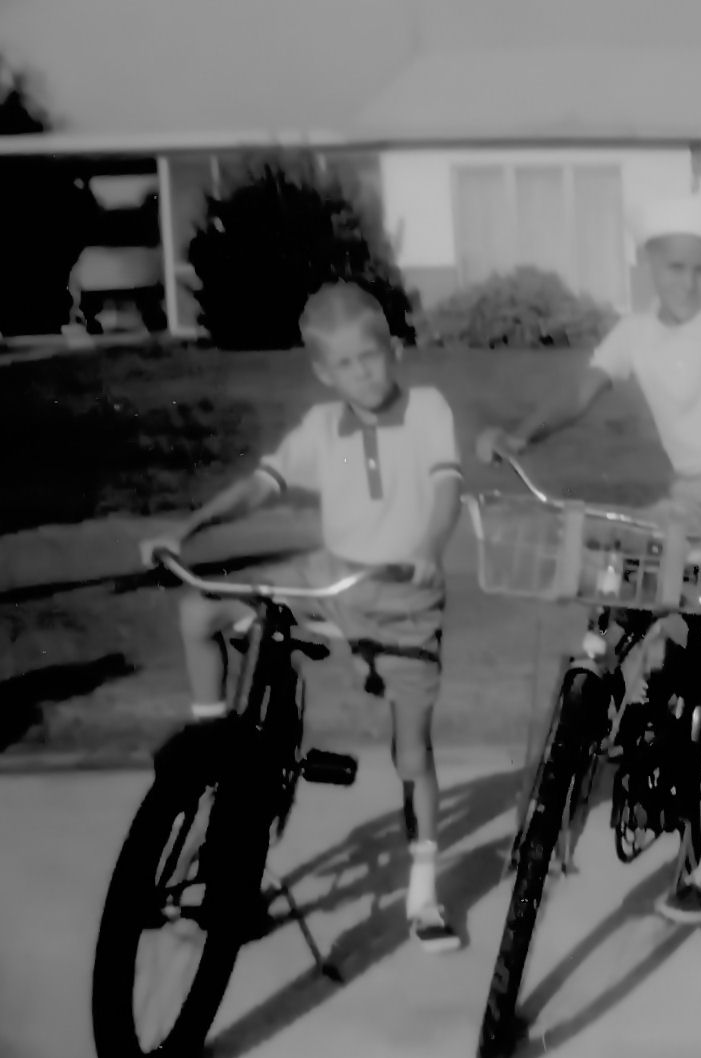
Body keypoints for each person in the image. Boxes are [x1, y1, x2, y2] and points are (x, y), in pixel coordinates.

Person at [476, 192, 701, 925]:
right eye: (673, 266)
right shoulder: (636, 331)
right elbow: (581, 392)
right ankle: (624, 727)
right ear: (650, 265)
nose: (687, 282)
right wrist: (523, 436)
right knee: (626, 585)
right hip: (690, 494)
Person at [138, 281, 466, 954]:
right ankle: (216, 750)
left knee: (412, 753)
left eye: (371, 358)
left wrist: (430, 549)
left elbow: (445, 486)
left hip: (402, 595)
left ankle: (424, 893)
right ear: (323, 371)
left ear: (393, 351)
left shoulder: (428, 409)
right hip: (329, 579)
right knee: (200, 610)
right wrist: (189, 526)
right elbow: (263, 484)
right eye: (345, 365)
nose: (362, 374)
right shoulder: (323, 427)